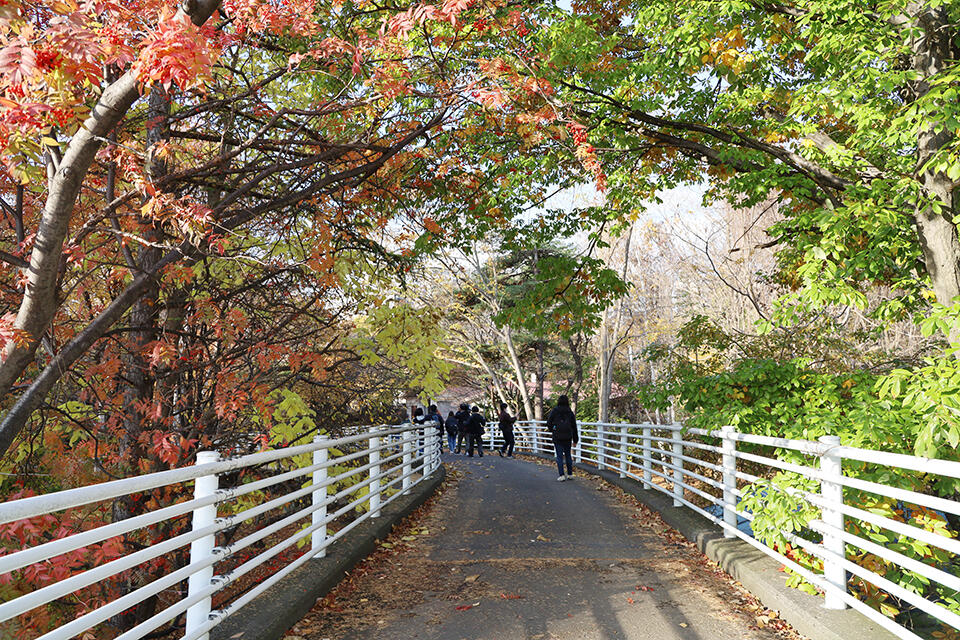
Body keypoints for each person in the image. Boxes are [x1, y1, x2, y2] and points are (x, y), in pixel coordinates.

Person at [545, 395, 578, 481]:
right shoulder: (569, 412)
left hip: (557, 436)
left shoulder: (555, 411)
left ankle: (562, 475)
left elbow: (548, 422)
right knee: (568, 455)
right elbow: (574, 426)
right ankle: (570, 474)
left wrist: (553, 430)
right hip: (568, 436)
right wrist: (575, 439)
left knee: (559, 456)